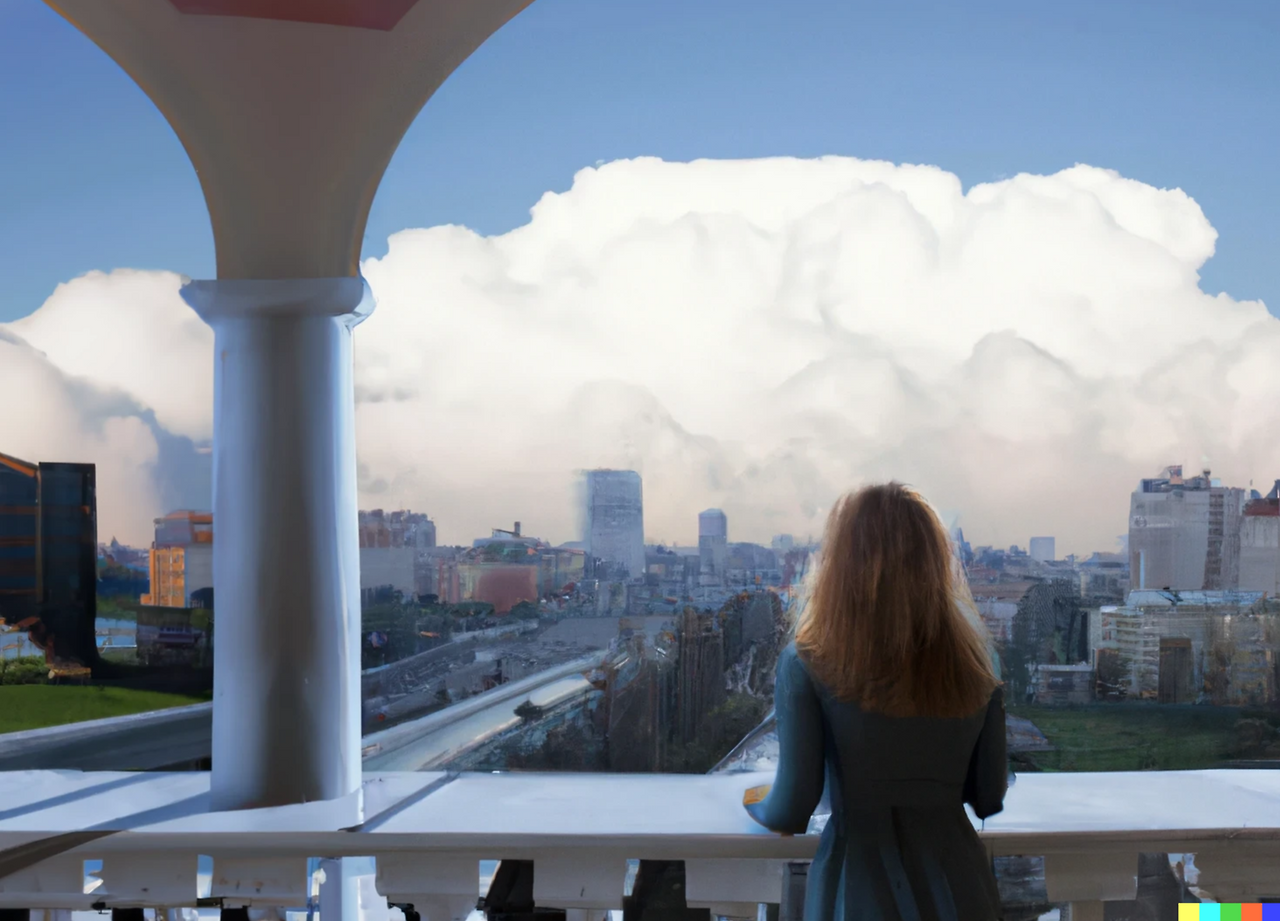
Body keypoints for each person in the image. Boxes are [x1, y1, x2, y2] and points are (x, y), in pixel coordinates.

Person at [745, 483, 1007, 921]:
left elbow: (791, 808)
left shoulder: (809, 662)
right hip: (959, 884)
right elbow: (987, 794)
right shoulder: (975, 660)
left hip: (859, 884)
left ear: (841, 565)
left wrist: (753, 799)